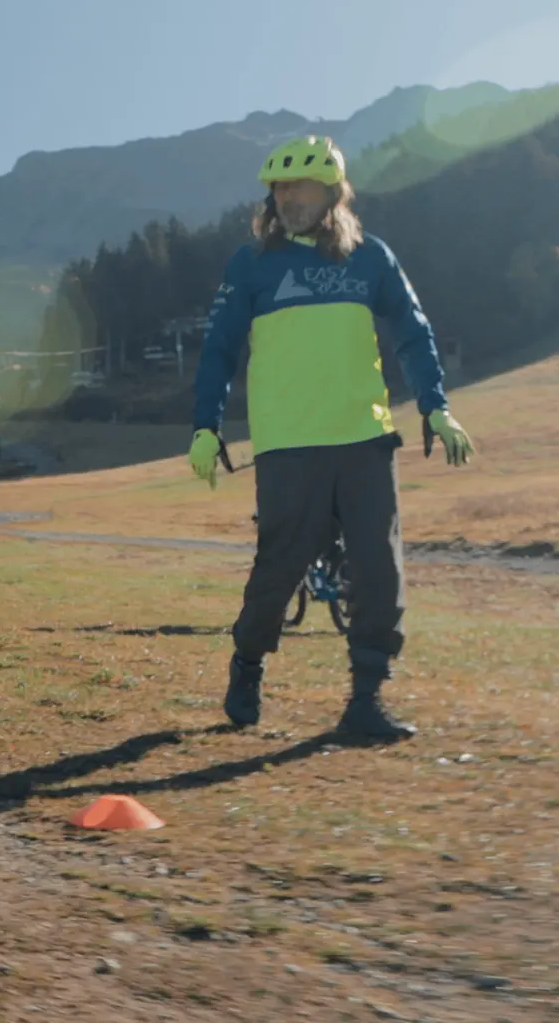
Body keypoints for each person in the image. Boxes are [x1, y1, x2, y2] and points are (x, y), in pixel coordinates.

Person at [190, 135, 476, 742]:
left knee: (379, 572)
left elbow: (413, 333)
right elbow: (217, 349)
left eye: (301, 186)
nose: (288, 196)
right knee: (278, 571)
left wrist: (435, 407)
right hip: (289, 444)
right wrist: (203, 424)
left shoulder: (369, 258)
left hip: (365, 438)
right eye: (279, 187)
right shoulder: (252, 264)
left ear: (332, 193)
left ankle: (365, 701)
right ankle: (247, 664)